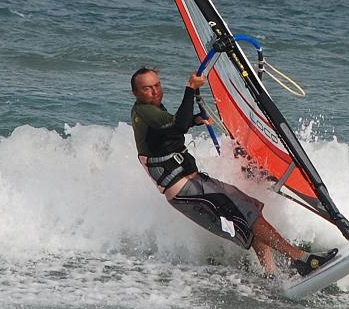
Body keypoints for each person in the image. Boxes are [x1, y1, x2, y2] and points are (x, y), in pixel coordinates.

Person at [129, 66, 337, 276]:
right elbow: (179, 125)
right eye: (147, 88)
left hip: (193, 184)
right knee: (249, 215)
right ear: (135, 93)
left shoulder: (149, 110)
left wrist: (194, 120)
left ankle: (270, 274)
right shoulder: (145, 112)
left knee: (250, 211)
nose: (155, 91)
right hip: (186, 189)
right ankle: (301, 259)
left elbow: (170, 131)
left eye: (157, 85)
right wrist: (190, 89)